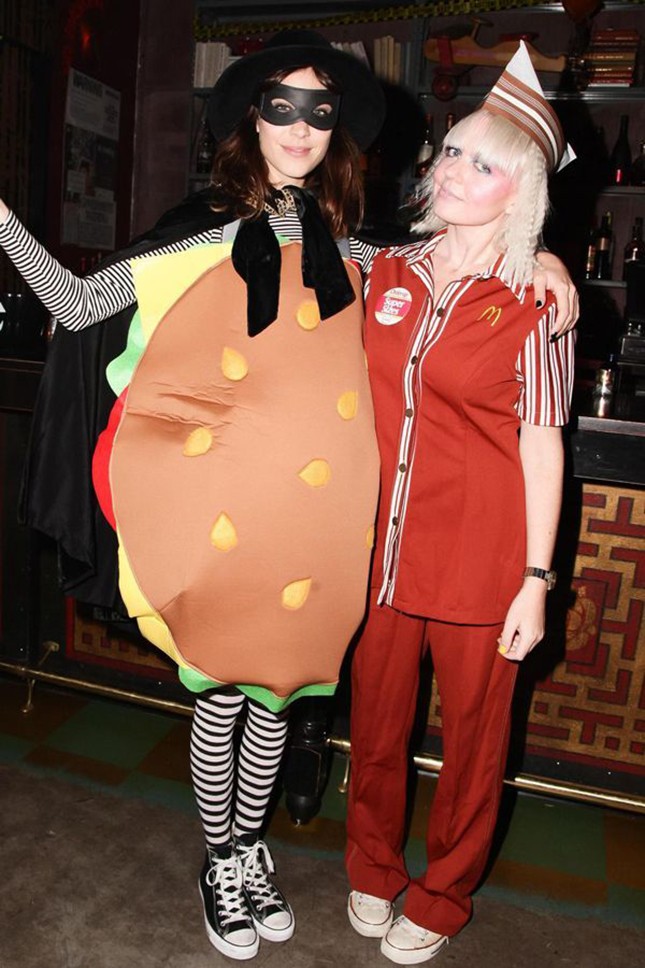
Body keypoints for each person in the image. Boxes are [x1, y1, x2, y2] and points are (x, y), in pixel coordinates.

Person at [1, 31, 574, 964]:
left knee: (277, 697)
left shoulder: (365, 251)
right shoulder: (203, 233)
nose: (300, 128)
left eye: (319, 111)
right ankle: (222, 858)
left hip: (317, 526)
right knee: (221, 693)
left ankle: (250, 845)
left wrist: (543, 258)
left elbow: (471, 246)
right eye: (280, 107)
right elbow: (73, 304)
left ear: (336, 127)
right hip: (223, 512)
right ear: (249, 122)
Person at [344, 42, 577, 965]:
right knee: (376, 723)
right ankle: (371, 868)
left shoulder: (535, 303)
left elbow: (543, 442)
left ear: (520, 195)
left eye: (483, 165)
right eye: (450, 151)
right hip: (378, 549)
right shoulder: (382, 270)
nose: (451, 171)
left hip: (483, 558)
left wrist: (535, 581)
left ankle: (442, 896)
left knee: (475, 745)